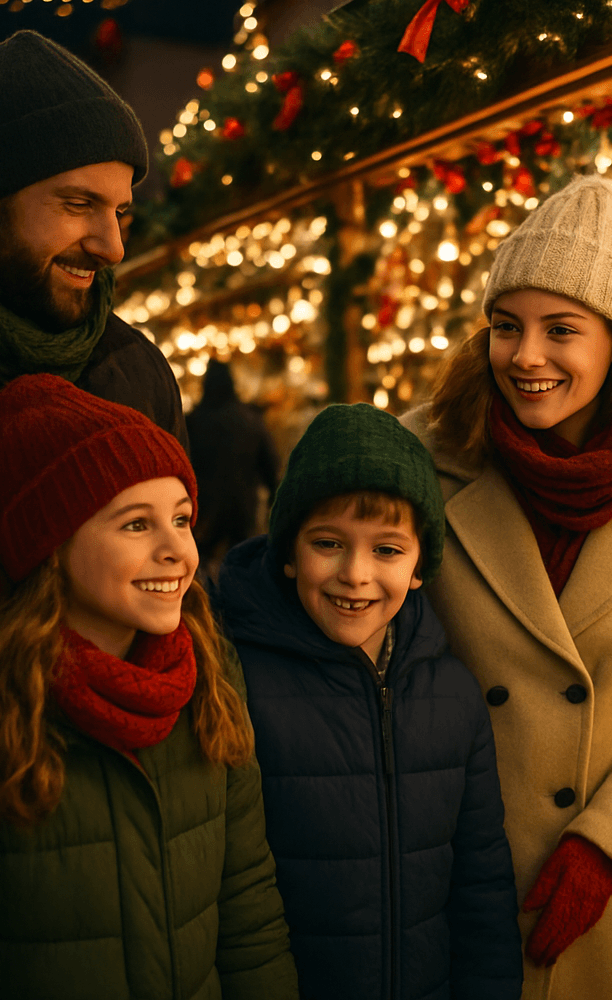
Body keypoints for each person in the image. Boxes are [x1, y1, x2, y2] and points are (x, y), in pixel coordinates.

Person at [401, 175, 612, 1000]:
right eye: (505, 327)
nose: (526, 357)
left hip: (598, 890)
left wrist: (604, 846)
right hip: (445, 870)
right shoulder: (421, 451)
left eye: (562, 330)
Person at [0, 373, 299, 1000]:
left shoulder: (210, 684)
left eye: (182, 518)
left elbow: (248, 912)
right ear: (51, 546)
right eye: (136, 525)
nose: (179, 551)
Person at [0, 29, 187, 698]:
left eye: (120, 212)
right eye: (78, 204)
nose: (112, 245)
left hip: (80, 784)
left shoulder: (134, 375)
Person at [213, 403, 523, 1000]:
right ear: (287, 550)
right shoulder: (236, 683)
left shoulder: (454, 697)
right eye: (328, 543)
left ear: (420, 567)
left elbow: (481, 886)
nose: (355, 574)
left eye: (386, 550)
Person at [186, 358, 280, 568]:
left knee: (199, 562)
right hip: (243, 504)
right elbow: (270, 466)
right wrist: (276, 500)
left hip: (205, 506)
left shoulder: (193, 422)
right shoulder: (250, 420)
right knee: (243, 563)